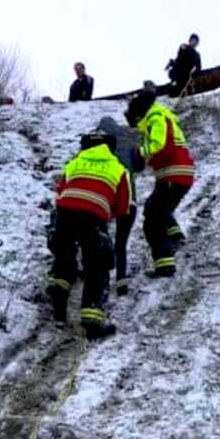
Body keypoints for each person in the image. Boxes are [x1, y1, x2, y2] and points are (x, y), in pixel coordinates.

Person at [47, 131, 130, 338]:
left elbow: (60, 192)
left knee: (64, 258)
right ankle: (92, 323)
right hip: (94, 216)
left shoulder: (74, 163)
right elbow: (123, 208)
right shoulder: (119, 168)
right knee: (97, 265)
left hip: (64, 213)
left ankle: (58, 312)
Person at [125, 89, 195, 279]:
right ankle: (175, 236)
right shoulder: (163, 117)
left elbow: (159, 144)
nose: (136, 126)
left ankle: (165, 264)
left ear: (139, 114)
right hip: (174, 174)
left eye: (135, 121)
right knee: (154, 207)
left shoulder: (156, 118)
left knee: (152, 221)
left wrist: (139, 153)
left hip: (174, 174)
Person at [97, 114, 146, 296]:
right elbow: (140, 165)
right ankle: (121, 282)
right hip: (129, 199)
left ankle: (101, 279)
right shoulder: (129, 140)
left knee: (101, 239)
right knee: (121, 243)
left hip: (106, 200)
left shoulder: (99, 147)